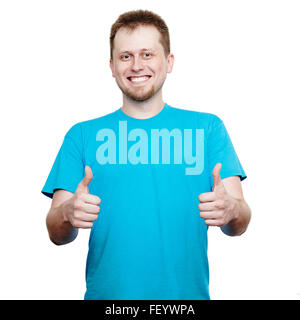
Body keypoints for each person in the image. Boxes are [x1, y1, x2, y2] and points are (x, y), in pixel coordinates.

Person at [41, 9, 251, 300]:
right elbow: (56, 231)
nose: (136, 65)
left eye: (147, 54)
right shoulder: (81, 135)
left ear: (169, 61)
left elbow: (239, 220)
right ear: (112, 66)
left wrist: (231, 209)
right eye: (126, 56)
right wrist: (66, 212)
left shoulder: (208, 128)